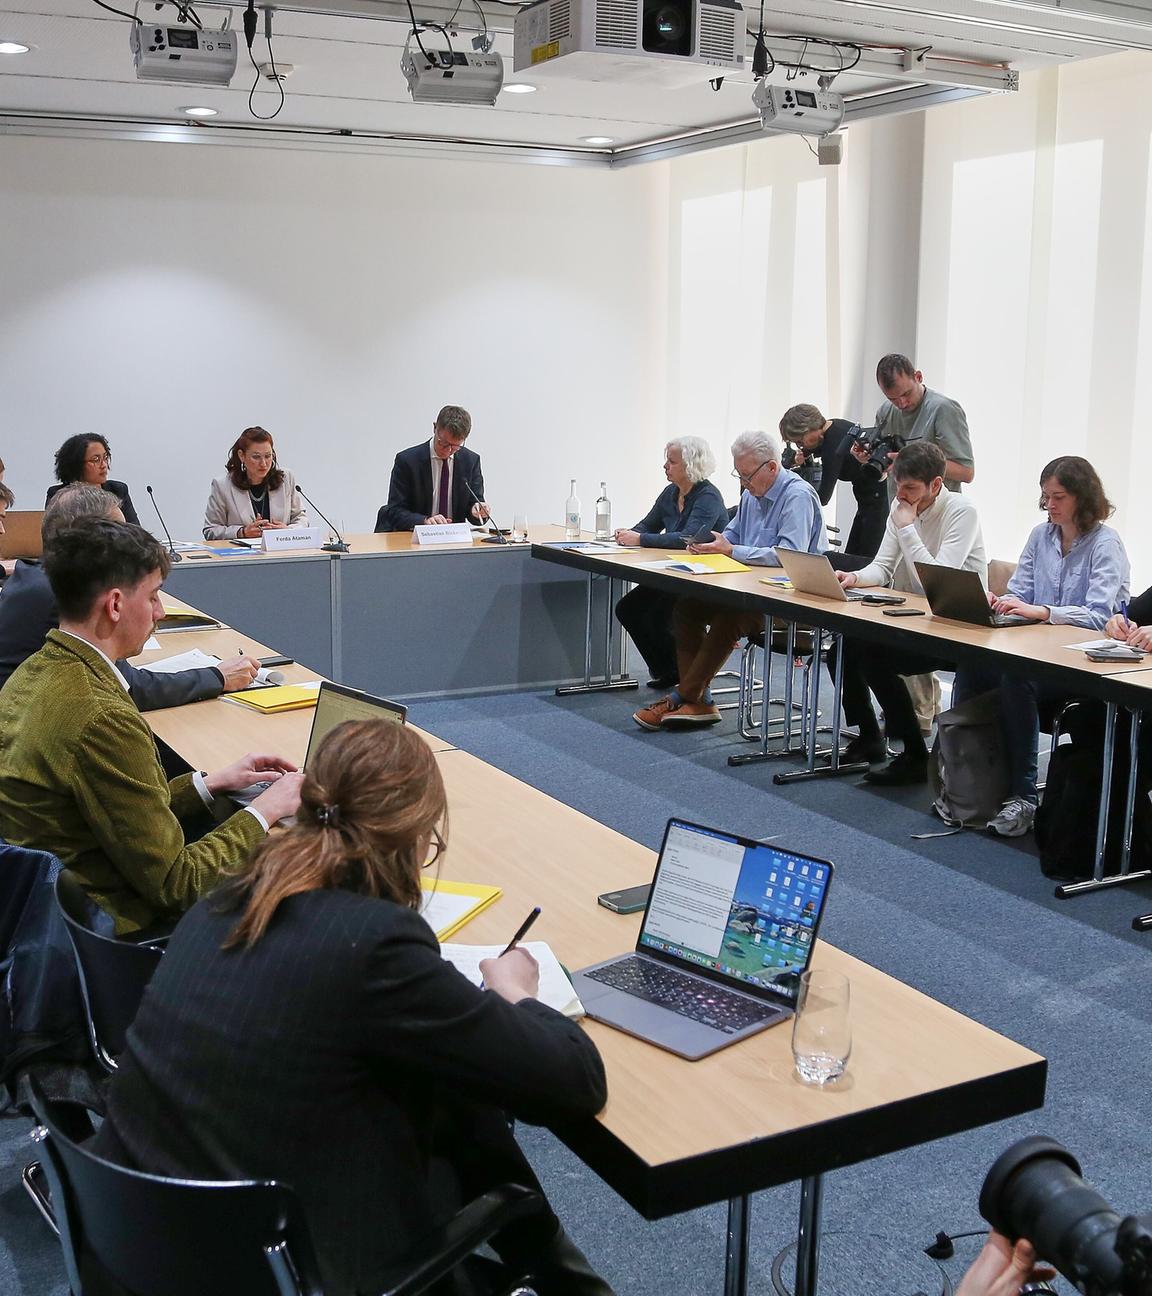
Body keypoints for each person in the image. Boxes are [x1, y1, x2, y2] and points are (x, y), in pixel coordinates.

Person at [92, 718, 611, 1296]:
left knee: (447, 1090)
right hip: (265, 1264)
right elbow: (575, 1081)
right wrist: (514, 991)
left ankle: (565, 1279)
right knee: (460, 1102)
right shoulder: (373, 945)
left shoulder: (233, 892)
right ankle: (565, 1280)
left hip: (141, 1236)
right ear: (416, 836)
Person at [0, 518, 302, 936]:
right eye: (155, 597)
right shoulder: (101, 716)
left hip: (44, 909)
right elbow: (180, 885)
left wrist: (207, 784)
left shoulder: (36, 671)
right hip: (108, 931)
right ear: (116, 605)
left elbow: (115, 811)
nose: (160, 612)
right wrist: (265, 809)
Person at [954, 455, 1129, 837]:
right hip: (1038, 651)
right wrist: (1002, 602)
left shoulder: (1105, 543)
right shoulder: (1041, 535)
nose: (1049, 504)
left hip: (1082, 664)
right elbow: (1021, 592)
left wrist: (1041, 611)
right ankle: (966, 780)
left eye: (1058, 497)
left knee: (1017, 680)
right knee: (973, 666)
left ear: (1083, 498)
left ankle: (1023, 797)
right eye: (1046, 496)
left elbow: (1100, 615)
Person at [632, 430, 823, 731]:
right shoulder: (752, 495)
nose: (743, 484)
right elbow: (731, 535)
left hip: (793, 600)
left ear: (772, 467)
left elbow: (789, 555)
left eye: (747, 476)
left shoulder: (796, 496)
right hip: (753, 590)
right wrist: (709, 543)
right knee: (687, 608)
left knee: (732, 617)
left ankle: (682, 696)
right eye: (740, 476)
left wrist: (732, 549)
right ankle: (701, 701)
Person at [0, 484, 258, 702]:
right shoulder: (61, 594)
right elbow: (127, 687)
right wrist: (217, 676)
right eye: (117, 534)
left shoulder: (34, 575)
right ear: (92, 540)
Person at [830, 443, 987, 785]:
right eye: (899, 487)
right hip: (918, 618)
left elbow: (937, 579)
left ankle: (914, 753)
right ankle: (871, 736)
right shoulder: (902, 507)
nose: (902, 495)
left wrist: (907, 529)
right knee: (844, 648)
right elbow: (883, 567)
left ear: (935, 484)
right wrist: (855, 578)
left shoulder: (961, 511)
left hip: (958, 625)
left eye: (911, 489)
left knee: (874, 657)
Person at [613, 437, 729, 688]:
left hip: (700, 577)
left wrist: (640, 538)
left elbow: (687, 539)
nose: (665, 466)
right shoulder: (670, 492)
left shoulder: (708, 497)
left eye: (672, 461)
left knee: (656, 614)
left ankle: (681, 674)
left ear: (690, 465)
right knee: (628, 609)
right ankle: (669, 671)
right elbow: (648, 524)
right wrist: (627, 535)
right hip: (672, 573)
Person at [779, 404, 888, 560]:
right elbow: (821, 445)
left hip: (875, 502)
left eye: (800, 442)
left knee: (863, 561)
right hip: (868, 499)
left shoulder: (833, 448)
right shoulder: (835, 425)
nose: (800, 447)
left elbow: (823, 497)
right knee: (853, 556)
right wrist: (802, 454)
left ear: (810, 429)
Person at [863, 354, 975, 494]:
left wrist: (913, 463)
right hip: (899, 508)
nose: (901, 403)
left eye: (906, 394)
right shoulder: (885, 411)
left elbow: (966, 472)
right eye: (893, 399)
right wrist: (869, 458)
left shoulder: (944, 410)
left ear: (918, 377)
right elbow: (885, 472)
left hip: (937, 511)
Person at [376, 405, 490, 532]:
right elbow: (394, 511)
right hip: (415, 539)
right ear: (435, 428)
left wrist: (478, 511)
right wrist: (424, 521)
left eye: (455, 446)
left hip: (454, 541)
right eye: (443, 443)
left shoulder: (471, 461)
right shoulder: (407, 461)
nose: (448, 451)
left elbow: (474, 505)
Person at [203, 426, 308, 541]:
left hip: (281, 554)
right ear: (242, 456)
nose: (263, 463)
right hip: (243, 556)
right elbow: (211, 530)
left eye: (268, 456)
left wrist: (288, 530)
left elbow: (301, 519)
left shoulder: (286, 479)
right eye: (256, 457)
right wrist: (242, 532)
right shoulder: (222, 485)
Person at [45, 433, 140, 525]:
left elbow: (136, 531)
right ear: (76, 465)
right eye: (96, 459)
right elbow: (52, 533)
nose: (104, 465)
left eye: (105, 457)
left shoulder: (118, 490)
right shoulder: (58, 496)